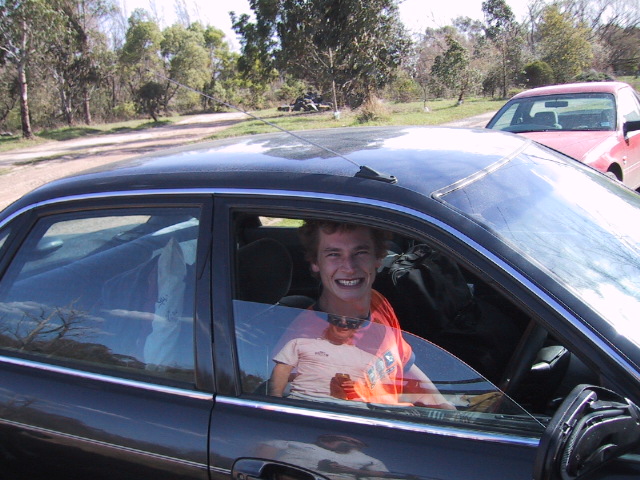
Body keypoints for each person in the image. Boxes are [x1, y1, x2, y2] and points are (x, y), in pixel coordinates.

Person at [269, 220, 454, 409]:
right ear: (316, 263)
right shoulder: (307, 343)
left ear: (379, 258)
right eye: (334, 254)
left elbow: (401, 362)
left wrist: (440, 403)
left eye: (360, 252)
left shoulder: (377, 302)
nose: (349, 267)